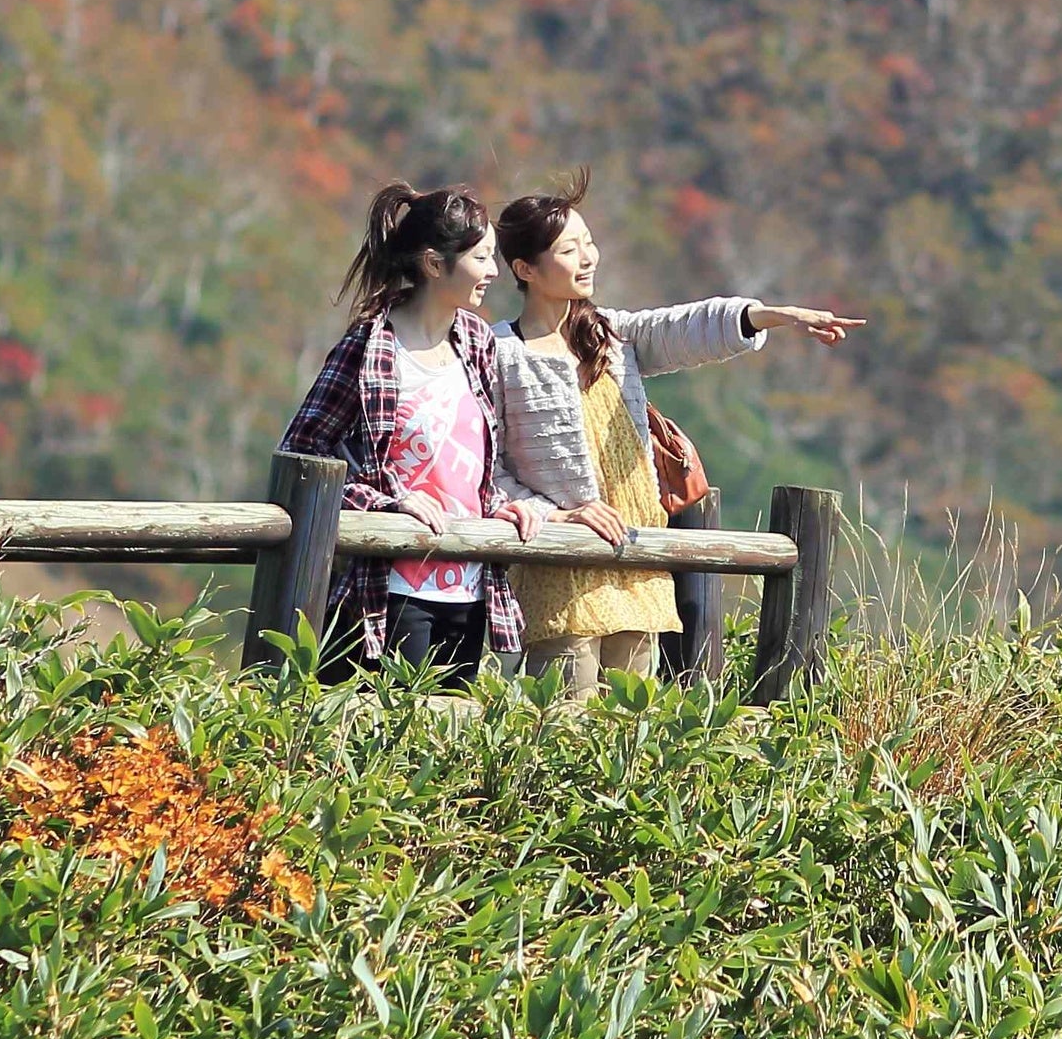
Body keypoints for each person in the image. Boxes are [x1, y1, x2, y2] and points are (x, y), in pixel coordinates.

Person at [488, 176, 861, 696]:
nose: (588, 257)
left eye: (589, 243)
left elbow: (687, 327)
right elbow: (487, 471)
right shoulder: (500, 352)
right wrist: (555, 514)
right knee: (563, 725)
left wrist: (771, 317)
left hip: (638, 564)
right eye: (569, 249)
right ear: (525, 269)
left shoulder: (611, 336)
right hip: (562, 573)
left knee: (630, 734)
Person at [275, 180, 550, 682]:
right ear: (433, 263)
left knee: (450, 746)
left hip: (469, 585)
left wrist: (499, 505)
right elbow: (302, 451)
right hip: (390, 592)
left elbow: (471, 463)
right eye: (481, 256)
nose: (492, 271)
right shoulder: (371, 344)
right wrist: (384, 503)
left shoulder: (476, 341)